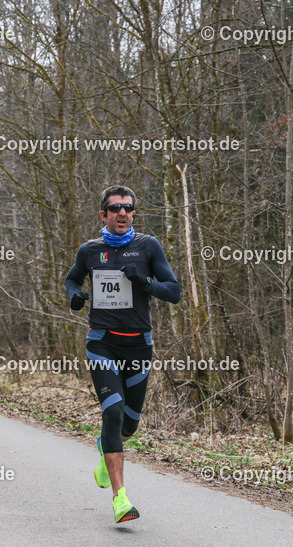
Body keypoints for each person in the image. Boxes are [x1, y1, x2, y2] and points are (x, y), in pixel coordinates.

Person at [65, 185, 181, 523]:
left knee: (129, 424)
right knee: (112, 413)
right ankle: (120, 499)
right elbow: (72, 280)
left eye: (128, 208)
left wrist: (144, 282)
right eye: (115, 208)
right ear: (103, 214)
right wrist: (75, 295)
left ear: (133, 213)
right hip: (101, 341)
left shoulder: (148, 246)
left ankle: (106, 447)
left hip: (138, 345)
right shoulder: (90, 250)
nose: (122, 213)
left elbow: (174, 292)